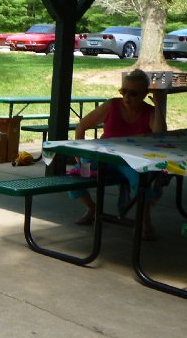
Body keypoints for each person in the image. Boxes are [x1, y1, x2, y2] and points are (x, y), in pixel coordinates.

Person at [71, 69, 166, 240]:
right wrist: (80, 157)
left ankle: (145, 220)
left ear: (145, 94)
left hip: (128, 162)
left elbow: (160, 135)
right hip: (103, 159)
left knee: (140, 181)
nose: (127, 97)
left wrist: (158, 105)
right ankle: (92, 209)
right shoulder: (111, 106)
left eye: (133, 93)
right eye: (124, 92)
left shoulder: (149, 112)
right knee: (75, 177)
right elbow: (81, 127)